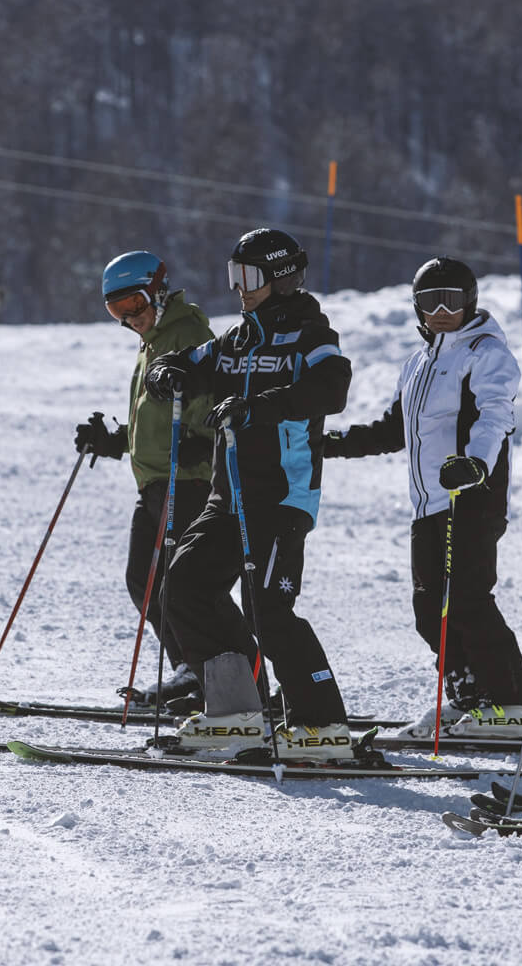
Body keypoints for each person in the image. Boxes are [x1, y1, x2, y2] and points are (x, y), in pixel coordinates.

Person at [142, 228, 355, 761]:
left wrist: (258, 407)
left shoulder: (309, 335)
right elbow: (193, 363)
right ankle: (238, 710)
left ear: (282, 278)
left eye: (250, 278)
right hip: (228, 495)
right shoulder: (237, 341)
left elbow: (332, 387)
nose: (240, 288)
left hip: (281, 496)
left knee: (268, 610)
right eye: (234, 277)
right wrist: (168, 371)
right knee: (184, 586)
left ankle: (320, 724)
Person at [324, 257, 522, 741]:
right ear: (417, 308)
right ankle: (469, 697)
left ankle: (512, 705)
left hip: (472, 495)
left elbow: (495, 415)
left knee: (469, 600)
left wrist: (476, 463)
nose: (442, 311)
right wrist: (333, 442)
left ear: (470, 301)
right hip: (428, 503)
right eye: (431, 302)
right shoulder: (419, 362)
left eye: (453, 299)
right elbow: (394, 429)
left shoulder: (485, 352)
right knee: (430, 609)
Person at [75, 251, 217, 707]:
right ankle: (189, 669)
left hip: (188, 484)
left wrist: (203, 445)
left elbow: (209, 405)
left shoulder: (188, 334)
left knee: (180, 587)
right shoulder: (153, 340)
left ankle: (206, 673)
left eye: (134, 305)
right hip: (154, 482)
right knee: (144, 581)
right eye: (117, 311)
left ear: (158, 290)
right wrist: (114, 441)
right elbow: (156, 424)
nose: (129, 319)